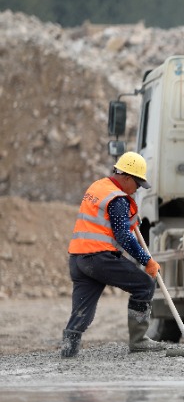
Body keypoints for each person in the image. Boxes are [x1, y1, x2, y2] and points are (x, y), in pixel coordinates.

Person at [62, 151, 164, 357]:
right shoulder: (117, 198)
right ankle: (139, 340)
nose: (136, 190)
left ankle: (68, 351)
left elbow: (107, 223)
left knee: (83, 311)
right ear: (126, 178)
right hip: (99, 258)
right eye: (137, 184)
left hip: (78, 258)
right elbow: (124, 237)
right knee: (144, 285)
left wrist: (128, 219)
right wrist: (147, 261)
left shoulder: (98, 187)